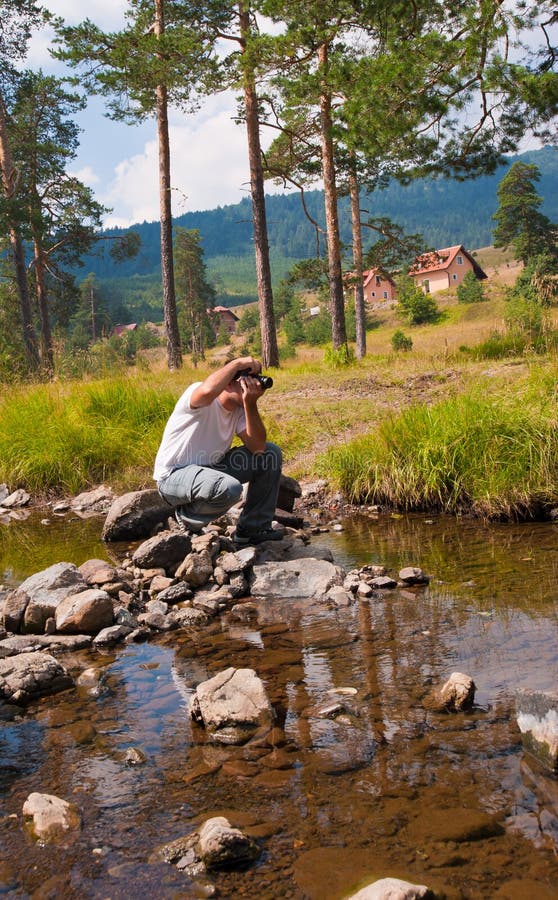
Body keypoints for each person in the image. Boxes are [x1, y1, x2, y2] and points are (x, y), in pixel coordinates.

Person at [153, 356, 283, 546]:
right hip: (173, 477)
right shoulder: (201, 395)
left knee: (270, 454)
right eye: (247, 379)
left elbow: (258, 447)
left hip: (211, 471)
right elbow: (206, 391)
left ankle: (253, 529)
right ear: (229, 382)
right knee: (229, 488)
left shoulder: (239, 411)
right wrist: (238, 364)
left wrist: (250, 403)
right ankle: (185, 519)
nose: (254, 383)